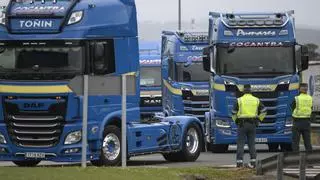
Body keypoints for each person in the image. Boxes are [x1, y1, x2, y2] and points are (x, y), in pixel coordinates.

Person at [232, 84, 267, 168]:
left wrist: (236, 121)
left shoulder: (239, 100)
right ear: (251, 91)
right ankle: (253, 162)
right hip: (252, 124)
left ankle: (239, 163)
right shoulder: (256, 100)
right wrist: (259, 120)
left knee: (241, 143)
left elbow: (233, 112)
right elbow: (264, 111)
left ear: (243, 91)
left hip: (242, 124)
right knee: (252, 144)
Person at [291, 83, 313, 152]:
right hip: (307, 122)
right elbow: (311, 108)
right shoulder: (310, 98)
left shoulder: (296, 98)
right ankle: (310, 159)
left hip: (297, 122)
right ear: (306, 90)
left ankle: (295, 158)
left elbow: (292, 108)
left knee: (295, 142)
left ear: (299, 89)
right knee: (307, 142)